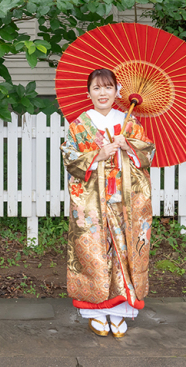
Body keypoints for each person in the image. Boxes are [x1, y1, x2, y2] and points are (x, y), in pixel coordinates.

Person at [61, 68, 155, 337]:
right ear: (88, 92)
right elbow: (69, 157)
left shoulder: (130, 122)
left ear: (117, 91)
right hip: (92, 203)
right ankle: (96, 311)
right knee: (95, 254)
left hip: (125, 202)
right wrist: (99, 154)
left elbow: (148, 153)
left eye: (108, 87)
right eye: (96, 88)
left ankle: (120, 310)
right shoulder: (79, 125)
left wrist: (129, 147)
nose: (102, 93)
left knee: (125, 254)